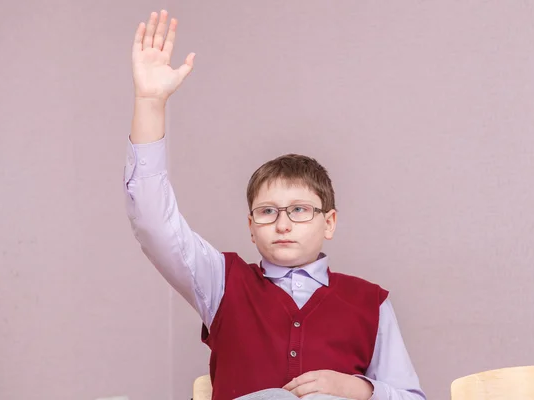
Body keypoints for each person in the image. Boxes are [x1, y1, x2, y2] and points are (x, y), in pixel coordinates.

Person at [125, 9, 427, 400]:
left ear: (329, 222)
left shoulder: (371, 302)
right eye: (268, 212)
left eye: (300, 210)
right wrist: (150, 103)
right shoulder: (221, 283)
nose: (283, 224)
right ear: (251, 226)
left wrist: (362, 389)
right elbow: (153, 222)